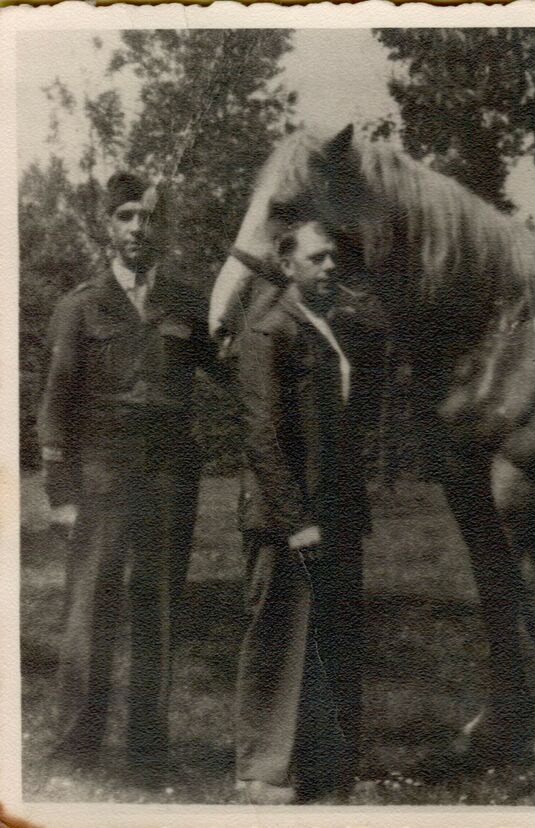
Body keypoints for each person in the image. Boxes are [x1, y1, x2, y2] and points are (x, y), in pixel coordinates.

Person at [37, 171, 221, 779]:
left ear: (159, 226)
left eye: (147, 217)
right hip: (102, 478)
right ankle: (75, 748)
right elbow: (55, 403)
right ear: (107, 226)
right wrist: (61, 493)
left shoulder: (187, 303)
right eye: (126, 217)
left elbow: (229, 369)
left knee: (159, 611)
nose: (138, 228)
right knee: (90, 610)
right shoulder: (81, 305)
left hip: (170, 478)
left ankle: (148, 751)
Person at [233, 220, 376, 805]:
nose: (330, 266)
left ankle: (326, 766)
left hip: (334, 509)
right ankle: (261, 773)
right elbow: (261, 433)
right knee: (279, 639)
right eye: (317, 258)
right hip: (285, 514)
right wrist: (297, 520)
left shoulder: (329, 327)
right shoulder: (269, 329)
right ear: (286, 265)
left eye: (334, 257)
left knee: (333, 637)